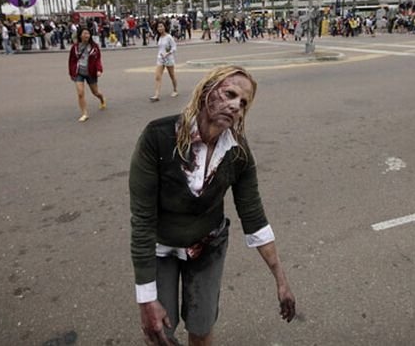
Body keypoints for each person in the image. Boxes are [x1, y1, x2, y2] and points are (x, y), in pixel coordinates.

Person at [129, 65, 296, 346]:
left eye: (243, 103)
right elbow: (142, 220)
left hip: (208, 246)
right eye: (229, 94)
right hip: (161, 247)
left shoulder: (238, 153)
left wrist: (281, 280)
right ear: (206, 92)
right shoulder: (157, 137)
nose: (235, 106)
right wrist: (146, 299)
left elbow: (254, 217)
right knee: (158, 330)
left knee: (202, 326)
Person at [67, 29, 106, 122]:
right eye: (84, 33)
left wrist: (99, 70)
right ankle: (84, 114)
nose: (87, 35)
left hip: (91, 72)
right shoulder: (75, 47)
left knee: (95, 92)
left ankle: (102, 99)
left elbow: (98, 60)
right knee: (80, 93)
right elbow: (71, 60)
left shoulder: (94, 47)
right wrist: (72, 72)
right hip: (79, 72)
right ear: (80, 35)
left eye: (88, 33)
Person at [149, 22, 178, 102]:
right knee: (157, 76)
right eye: (158, 27)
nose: (160, 28)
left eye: (161, 26)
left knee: (172, 75)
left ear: (165, 27)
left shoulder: (169, 37)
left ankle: (175, 90)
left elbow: (174, 47)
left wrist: (168, 53)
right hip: (160, 58)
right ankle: (156, 95)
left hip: (168, 58)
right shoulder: (159, 37)